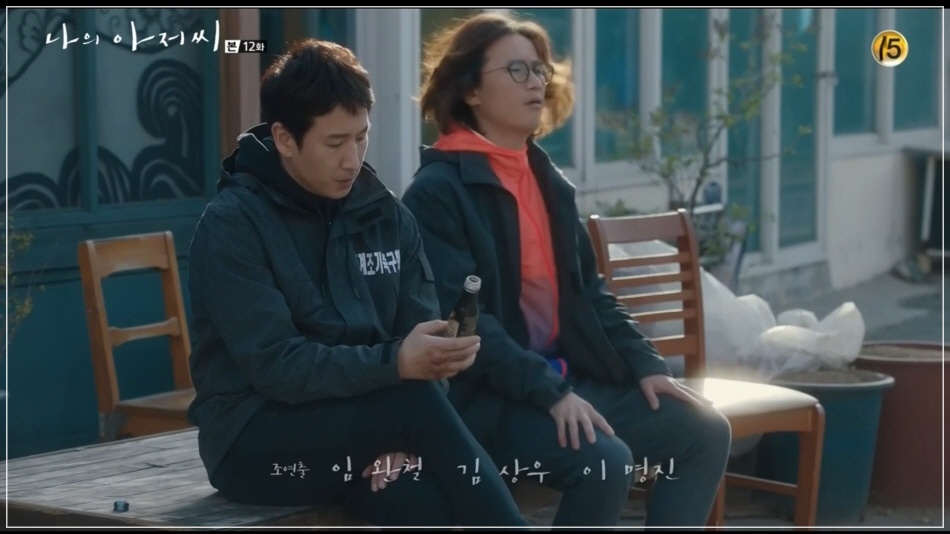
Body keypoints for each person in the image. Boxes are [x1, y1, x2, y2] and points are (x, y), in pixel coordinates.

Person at [401, 12, 732, 527]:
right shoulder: (437, 192)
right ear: (470, 90)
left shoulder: (545, 177)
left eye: (540, 69)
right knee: (604, 461)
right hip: (487, 401)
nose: (536, 82)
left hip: (562, 380)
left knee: (703, 430)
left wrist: (646, 364)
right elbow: (465, 325)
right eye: (517, 70)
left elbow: (589, 292)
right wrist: (551, 392)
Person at [186, 38, 528, 527]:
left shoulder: (386, 214)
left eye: (361, 137)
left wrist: (400, 436)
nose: (352, 158)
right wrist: (395, 370)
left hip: (372, 423)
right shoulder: (234, 224)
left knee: (413, 495)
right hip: (253, 442)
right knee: (414, 406)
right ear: (285, 139)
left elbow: (422, 343)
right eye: (335, 143)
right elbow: (278, 368)